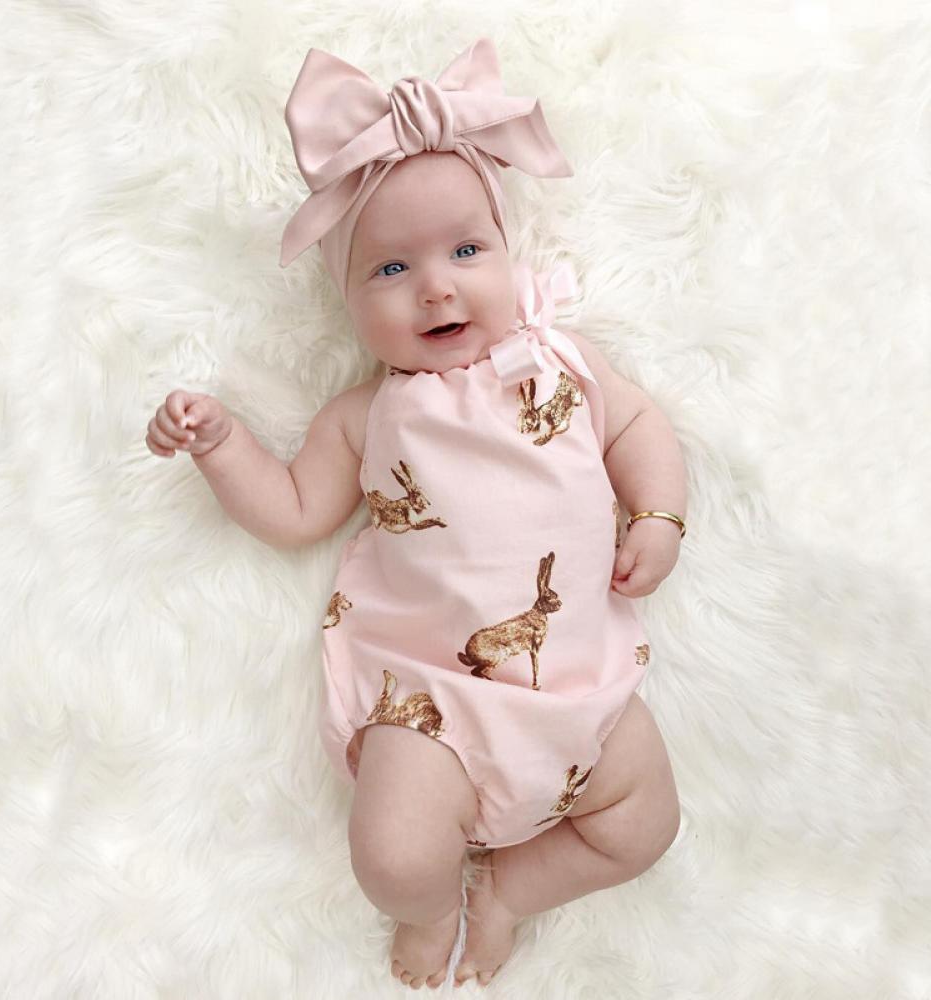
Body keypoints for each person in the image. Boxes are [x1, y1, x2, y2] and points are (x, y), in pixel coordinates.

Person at [146, 37, 687, 993]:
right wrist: (222, 445)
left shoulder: (565, 363)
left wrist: (660, 517)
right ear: (346, 299)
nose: (436, 285)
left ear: (508, 253)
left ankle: (512, 891)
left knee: (646, 825)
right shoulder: (369, 413)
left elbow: (640, 425)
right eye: (391, 268)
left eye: (466, 250)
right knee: (393, 856)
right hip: (431, 705)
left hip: (581, 697)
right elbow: (296, 511)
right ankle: (433, 906)